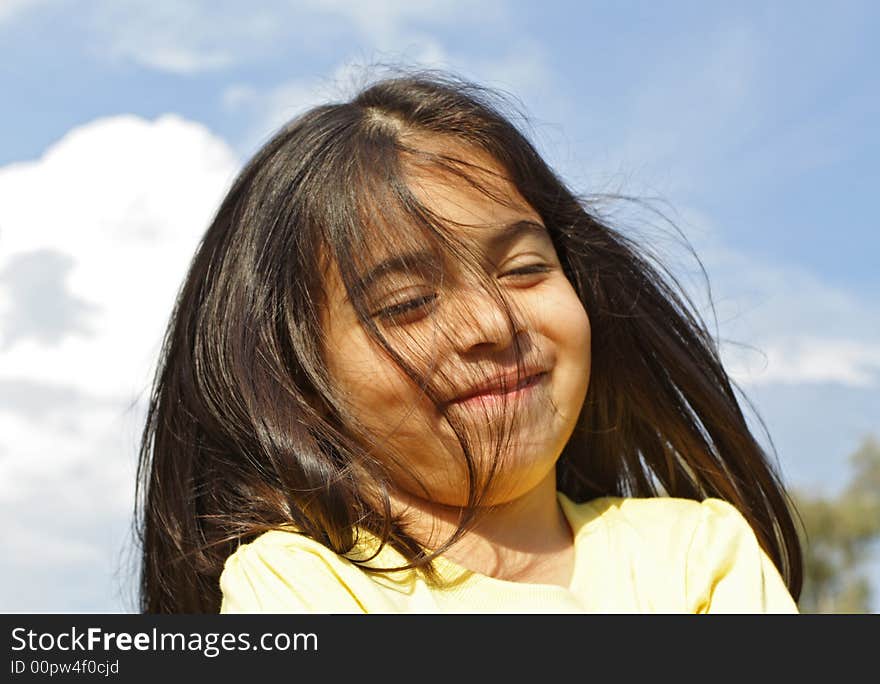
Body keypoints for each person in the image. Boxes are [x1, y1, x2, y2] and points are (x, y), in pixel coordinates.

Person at [135, 72, 803, 613]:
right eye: (407, 305)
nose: (492, 324)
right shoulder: (295, 584)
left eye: (524, 269)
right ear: (297, 381)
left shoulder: (696, 552)